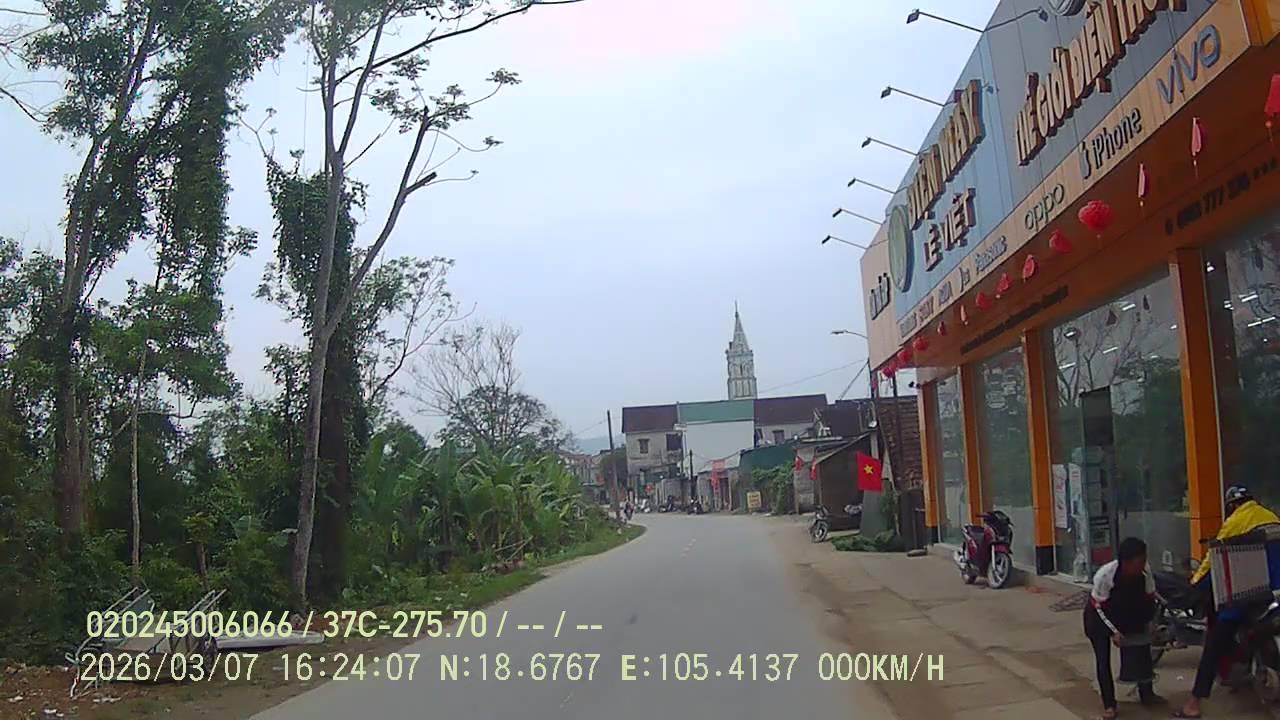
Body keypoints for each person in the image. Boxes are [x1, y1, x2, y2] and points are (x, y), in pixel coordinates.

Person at [1174, 485, 1280, 718]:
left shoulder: (1235, 522)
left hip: (1250, 596)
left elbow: (1213, 560)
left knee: (1214, 646)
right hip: (1275, 596)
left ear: (1232, 506)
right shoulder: (1271, 516)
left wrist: (1195, 583)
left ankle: (1194, 704)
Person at [1085, 536, 1161, 719]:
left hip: (1127, 610)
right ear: (1125, 563)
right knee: (1103, 661)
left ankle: (1147, 693)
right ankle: (1109, 704)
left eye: (1144, 560)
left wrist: (1151, 623)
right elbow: (1099, 607)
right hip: (1099, 616)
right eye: (1138, 563)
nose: (1142, 565)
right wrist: (1113, 631)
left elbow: (1150, 598)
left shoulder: (1145, 571)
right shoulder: (1105, 575)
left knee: (1142, 649)